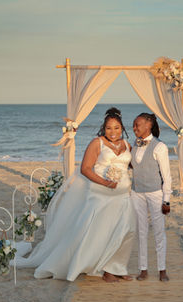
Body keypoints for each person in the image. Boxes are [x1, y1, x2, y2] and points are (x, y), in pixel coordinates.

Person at [13, 107, 136, 282]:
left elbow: (132, 165)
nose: (113, 131)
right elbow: (85, 169)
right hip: (101, 195)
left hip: (123, 196)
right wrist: (106, 183)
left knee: (125, 230)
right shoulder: (97, 143)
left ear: (122, 128)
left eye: (116, 127)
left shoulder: (126, 145)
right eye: (109, 128)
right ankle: (100, 268)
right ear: (103, 128)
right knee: (100, 232)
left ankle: (117, 267)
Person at [131, 113, 172, 282]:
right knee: (141, 231)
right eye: (133, 125)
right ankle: (143, 269)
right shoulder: (134, 144)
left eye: (137, 125)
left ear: (148, 125)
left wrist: (166, 200)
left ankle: (162, 269)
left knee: (158, 230)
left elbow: (167, 175)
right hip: (136, 192)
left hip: (155, 193)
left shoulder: (159, 147)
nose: (134, 128)